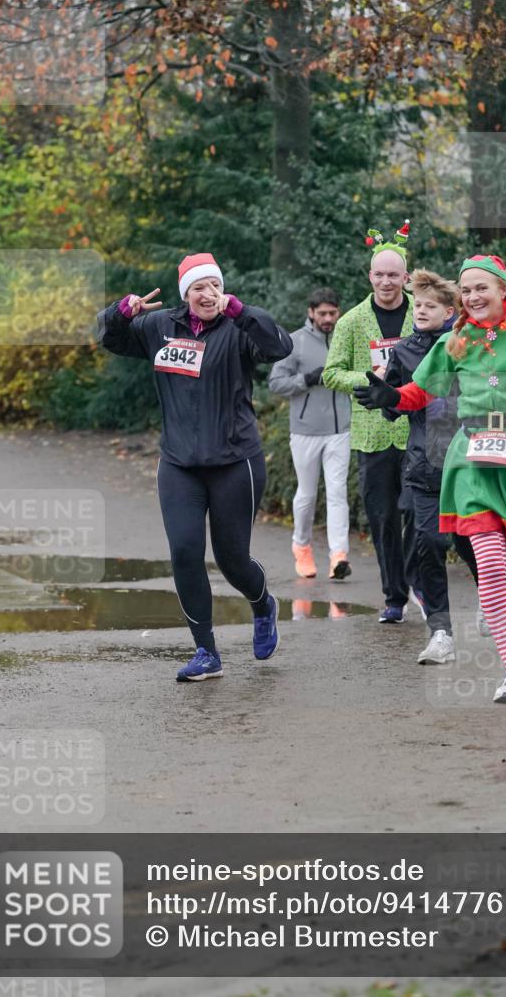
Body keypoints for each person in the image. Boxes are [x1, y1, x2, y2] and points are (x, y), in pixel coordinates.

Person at [354, 254, 506, 704]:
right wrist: (389, 394)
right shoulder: (457, 339)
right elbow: (422, 390)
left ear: (504, 289)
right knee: (488, 562)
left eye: (480, 288)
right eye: (465, 290)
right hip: (471, 457)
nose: (471, 297)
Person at [97, 252, 293, 682]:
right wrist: (120, 312)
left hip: (234, 460)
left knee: (232, 559)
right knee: (185, 552)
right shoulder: (159, 327)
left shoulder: (239, 328)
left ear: (224, 291)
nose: (208, 294)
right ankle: (206, 651)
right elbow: (109, 338)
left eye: (215, 287)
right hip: (179, 463)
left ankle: (263, 604)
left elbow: (280, 345)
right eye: (199, 287)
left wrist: (241, 311)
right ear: (186, 294)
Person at [381, 269, 481, 665]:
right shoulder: (403, 350)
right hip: (422, 464)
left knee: (470, 542)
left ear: (450, 311)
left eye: (429, 305)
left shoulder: (466, 346)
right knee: (428, 545)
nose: (420, 310)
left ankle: (493, 599)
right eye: (417, 305)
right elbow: (393, 405)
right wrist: (382, 395)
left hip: (466, 461)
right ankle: (441, 632)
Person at [323, 221, 420, 623]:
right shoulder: (350, 322)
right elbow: (332, 372)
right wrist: (367, 382)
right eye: (379, 274)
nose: (386, 281)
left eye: (393, 275)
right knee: (382, 520)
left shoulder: (425, 314)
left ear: (406, 278)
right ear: (369, 276)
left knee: (419, 514)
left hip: (418, 429)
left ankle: (418, 582)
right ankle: (394, 596)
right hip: (372, 434)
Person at [268, 287, 352, 580]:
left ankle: (338, 556)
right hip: (305, 431)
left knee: (338, 493)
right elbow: (276, 383)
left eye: (333, 313)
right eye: (323, 313)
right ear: (311, 313)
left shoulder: (346, 338)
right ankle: (301, 547)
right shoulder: (294, 342)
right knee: (307, 494)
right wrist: (307, 379)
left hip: (341, 430)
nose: (328, 318)